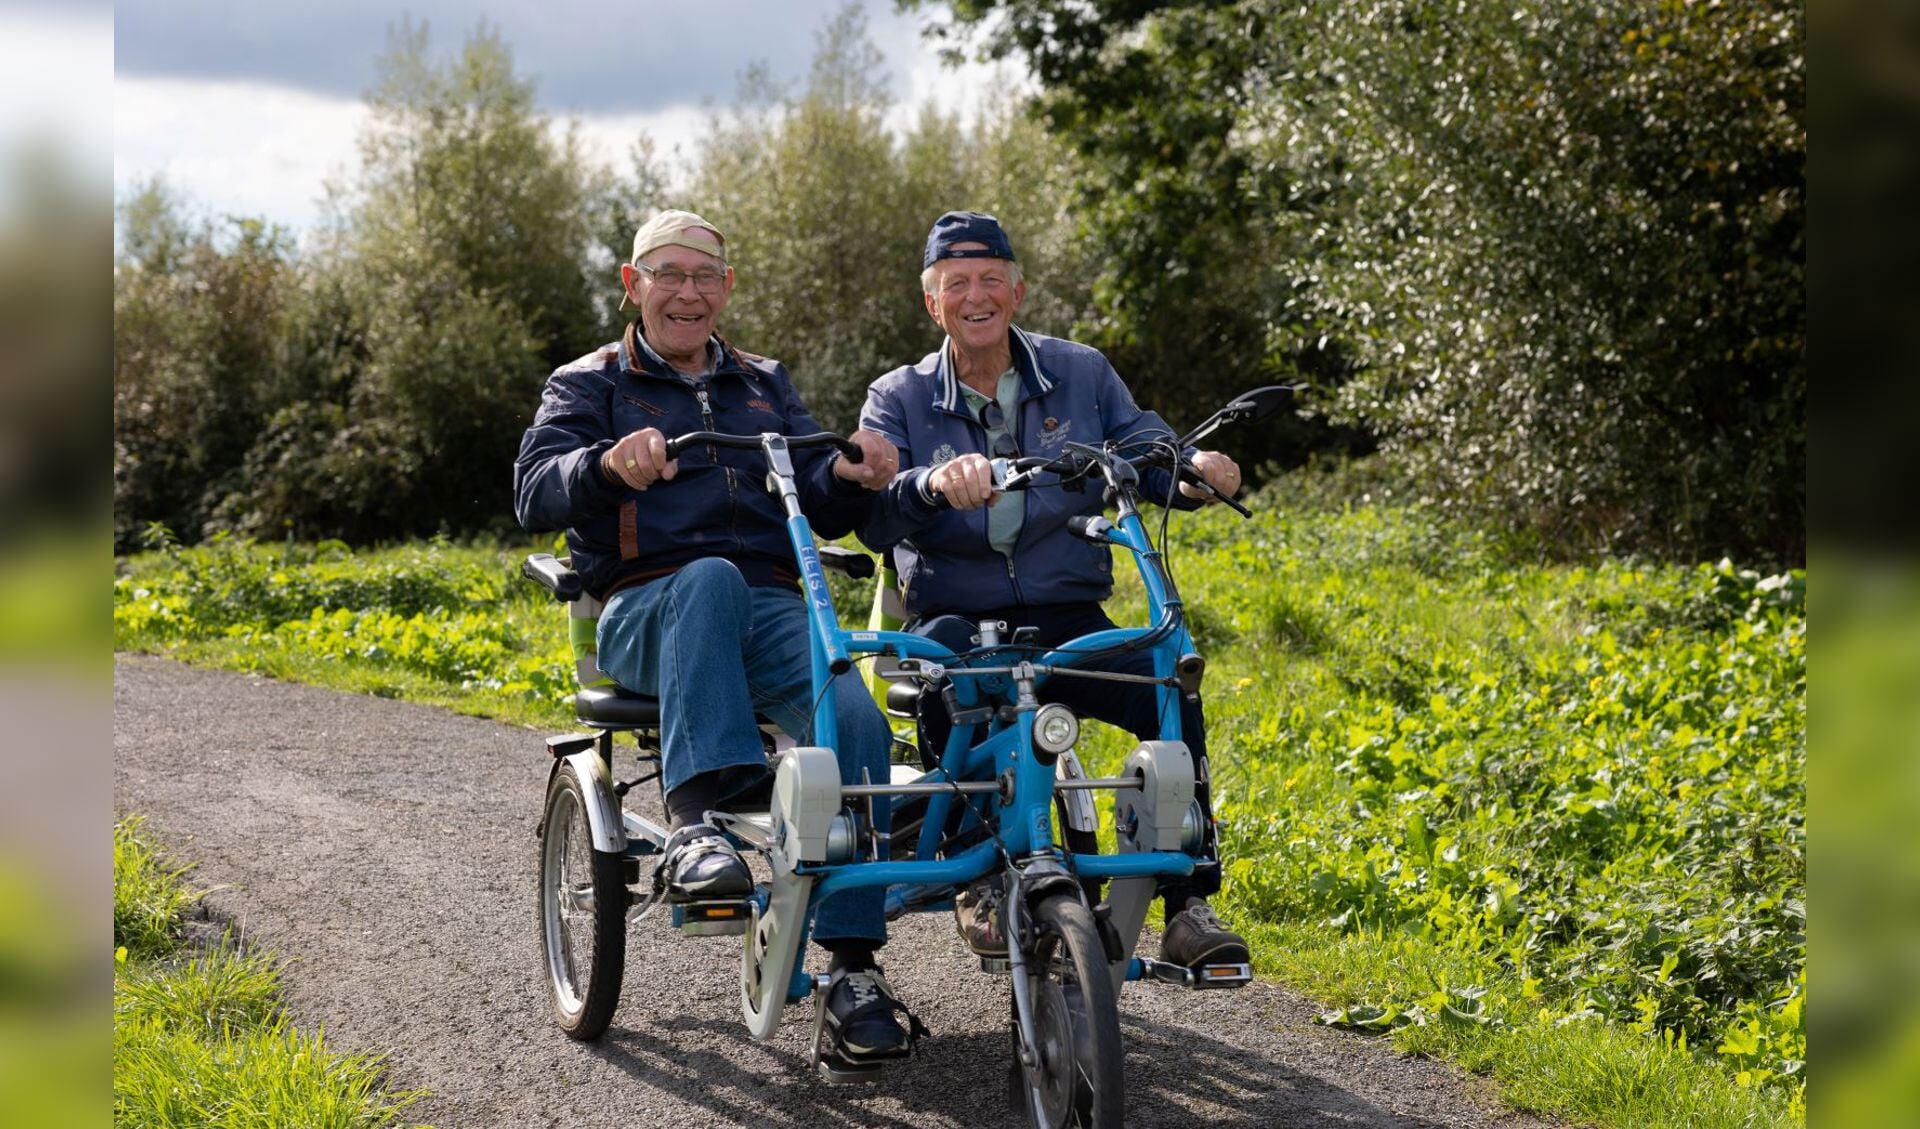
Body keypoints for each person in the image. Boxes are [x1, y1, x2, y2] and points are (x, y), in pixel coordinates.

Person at [513, 210, 917, 1059]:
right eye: (670, 274)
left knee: (857, 721)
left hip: (770, 605)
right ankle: (696, 824)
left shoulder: (764, 381)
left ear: (726, 289)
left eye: (706, 277)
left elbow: (813, 478)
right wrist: (603, 465)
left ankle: (852, 966)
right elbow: (535, 488)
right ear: (634, 284)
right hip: (646, 609)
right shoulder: (588, 384)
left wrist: (847, 473)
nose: (688, 292)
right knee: (708, 577)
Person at [858, 211, 1250, 972]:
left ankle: (1188, 902)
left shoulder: (1081, 372)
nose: (977, 296)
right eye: (957, 285)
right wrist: (932, 485)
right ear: (930, 303)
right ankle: (979, 873)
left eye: (991, 281)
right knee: (950, 682)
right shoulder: (896, 397)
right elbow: (871, 512)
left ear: (1018, 291)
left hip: (1067, 615)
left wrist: (1198, 466)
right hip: (955, 612)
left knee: (1171, 684)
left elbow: (1147, 449)